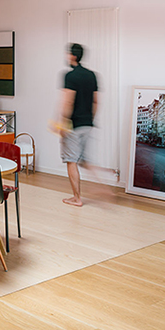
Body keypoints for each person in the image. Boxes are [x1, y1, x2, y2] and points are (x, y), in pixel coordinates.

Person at [59, 43, 98, 207]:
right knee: (83, 160)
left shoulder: (70, 76)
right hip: (87, 123)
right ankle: (101, 187)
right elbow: (96, 101)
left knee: (71, 161)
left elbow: (68, 101)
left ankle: (77, 198)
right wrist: (90, 119)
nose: (67, 56)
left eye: (68, 54)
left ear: (73, 56)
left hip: (74, 125)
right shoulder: (92, 75)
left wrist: (63, 124)